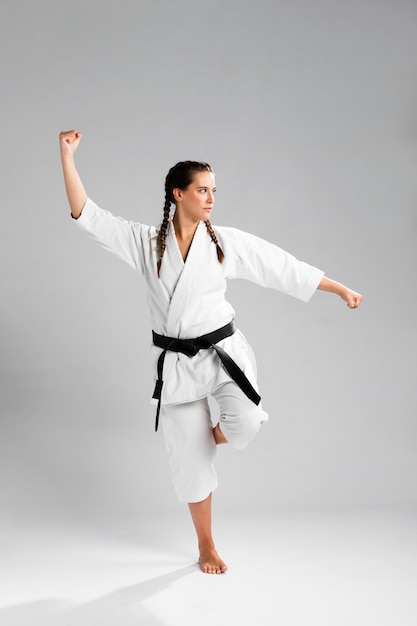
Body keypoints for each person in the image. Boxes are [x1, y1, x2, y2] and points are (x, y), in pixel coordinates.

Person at [59, 129, 363, 575]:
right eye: (203, 190)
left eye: (214, 190)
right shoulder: (147, 244)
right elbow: (88, 215)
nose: (211, 198)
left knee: (246, 425)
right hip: (176, 367)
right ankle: (206, 544)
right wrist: (66, 156)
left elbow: (279, 266)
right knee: (190, 467)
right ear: (177, 194)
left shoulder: (224, 243)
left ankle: (210, 437)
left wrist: (336, 287)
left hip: (223, 356)